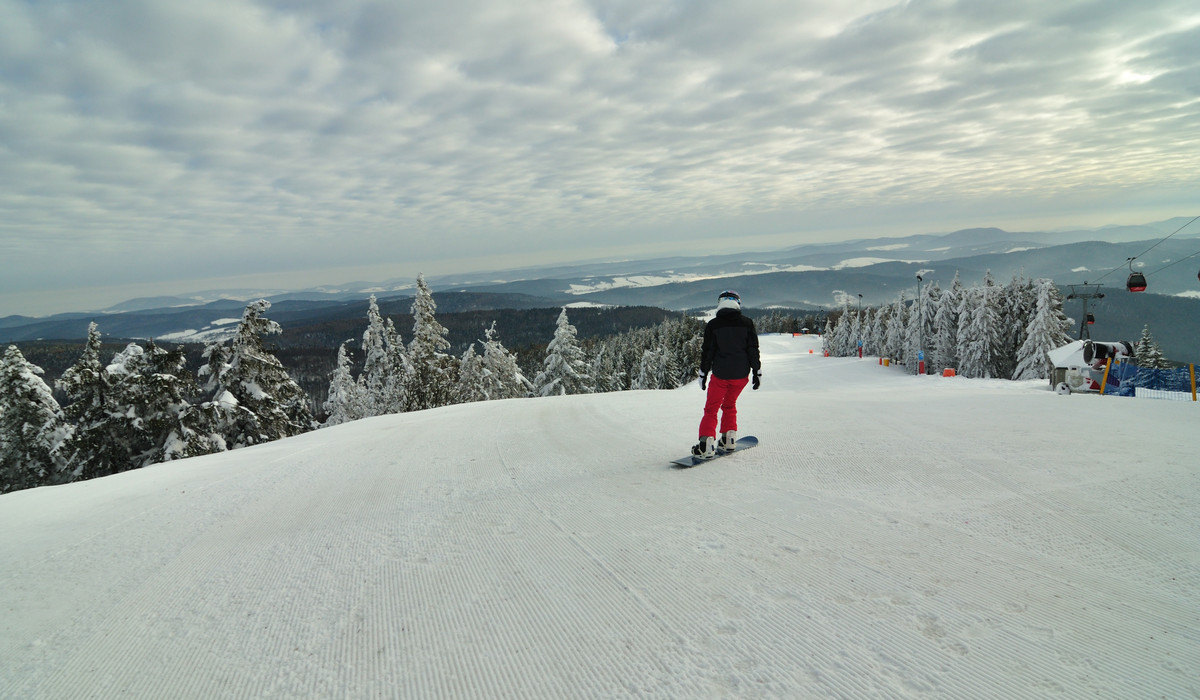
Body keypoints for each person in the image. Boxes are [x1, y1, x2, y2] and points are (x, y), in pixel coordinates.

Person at [693, 290, 761, 458]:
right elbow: (753, 350)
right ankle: (728, 440)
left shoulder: (713, 325)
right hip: (740, 376)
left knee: (712, 408)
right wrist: (756, 371)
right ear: (738, 303)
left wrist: (703, 373)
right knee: (729, 405)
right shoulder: (747, 323)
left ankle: (705, 445)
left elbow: (707, 352)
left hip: (720, 376)